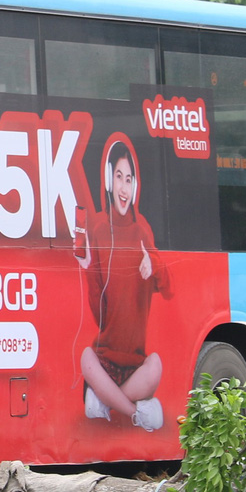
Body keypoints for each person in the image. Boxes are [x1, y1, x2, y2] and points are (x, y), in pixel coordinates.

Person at [74, 136, 171, 432]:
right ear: (108, 180)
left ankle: (104, 401)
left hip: (136, 364)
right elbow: (97, 310)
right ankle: (133, 411)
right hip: (105, 361)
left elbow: (168, 286)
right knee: (85, 358)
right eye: (118, 177)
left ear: (136, 185)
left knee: (155, 365)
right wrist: (87, 267)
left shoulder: (143, 229)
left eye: (129, 179)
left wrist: (152, 264)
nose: (124, 187)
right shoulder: (100, 230)